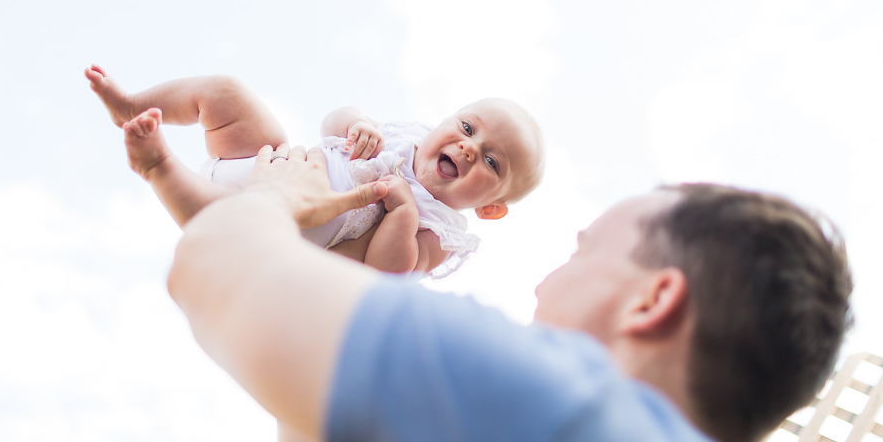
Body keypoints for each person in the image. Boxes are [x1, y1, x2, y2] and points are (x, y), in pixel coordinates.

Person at [166, 144, 854, 442]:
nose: (543, 284)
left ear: (654, 300)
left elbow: (213, 268)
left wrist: (276, 196)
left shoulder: (572, 408)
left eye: (583, 254)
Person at [85, 65, 544, 278]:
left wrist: (402, 212)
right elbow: (333, 122)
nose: (467, 148)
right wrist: (357, 124)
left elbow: (389, 271)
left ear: (491, 208)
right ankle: (130, 106)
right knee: (226, 92)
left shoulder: (441, 229)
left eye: (490, 161)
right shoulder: (407, 138)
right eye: (467, 128)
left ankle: (159, 166)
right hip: (274, 158)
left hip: (279, 227)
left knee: (230, 220)